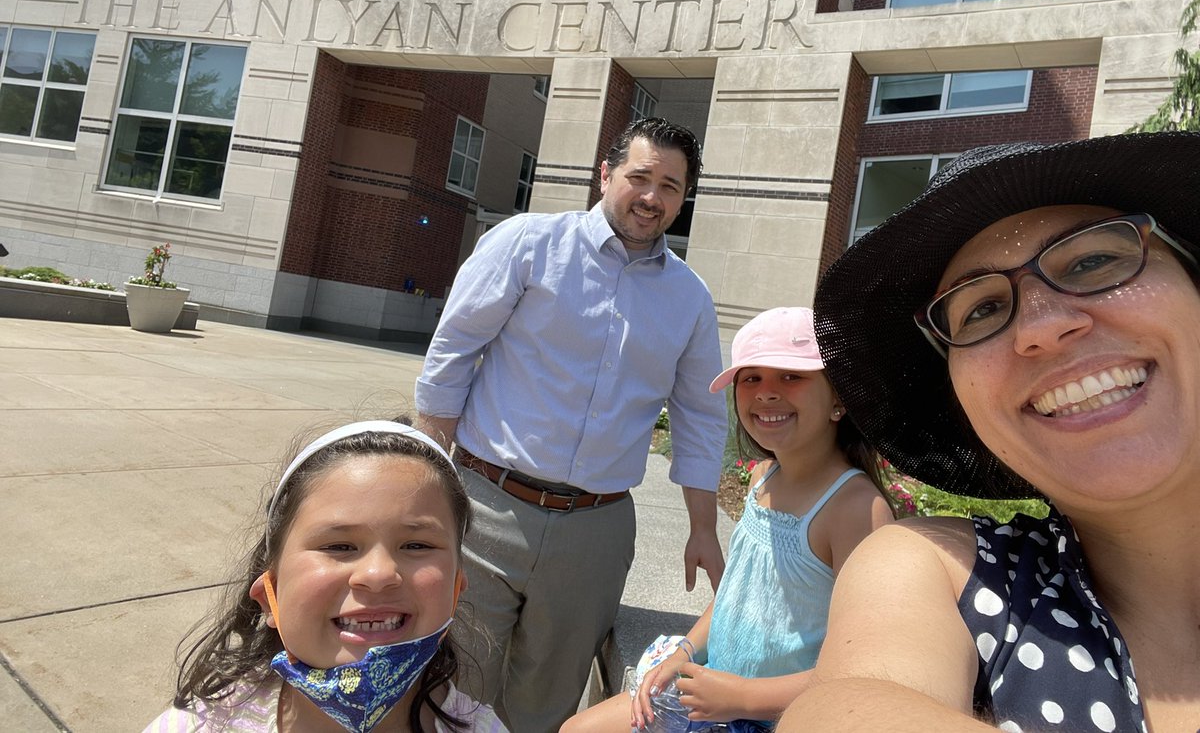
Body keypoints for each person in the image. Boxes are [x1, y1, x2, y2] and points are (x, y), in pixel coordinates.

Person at [777, 132, 1200, 731]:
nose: (1042, 327)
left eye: (1092, 261)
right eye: (981, 309)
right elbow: (847, 706)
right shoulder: (948, 574)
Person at [415, 117, 729, 733]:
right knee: (452, 686)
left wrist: (702, 526)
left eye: (670, 186)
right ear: (606, 174)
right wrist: (428, 474)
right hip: (487, 506)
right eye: (640, 177)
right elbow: (453, 351)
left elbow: (699, 413)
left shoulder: (689, 298)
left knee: (546, 704)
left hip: (597, 528)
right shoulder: (527, 244)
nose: (652, 197)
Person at [563, 307, 893, 733]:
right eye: (751, 378)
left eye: (791, 376)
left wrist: (740, 697)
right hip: (714, 692)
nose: (766, 393)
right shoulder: (763, 477)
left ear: (839, 399)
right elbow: (735, 596)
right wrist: (684, 650)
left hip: (778, 717)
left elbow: (863, 668)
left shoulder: (856, 510)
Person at [142, 420, 508, 733]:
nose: (378, 574)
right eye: (339, 546)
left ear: (456, 590)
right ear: (269, 596)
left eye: (415, 546)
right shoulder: (203, 723)